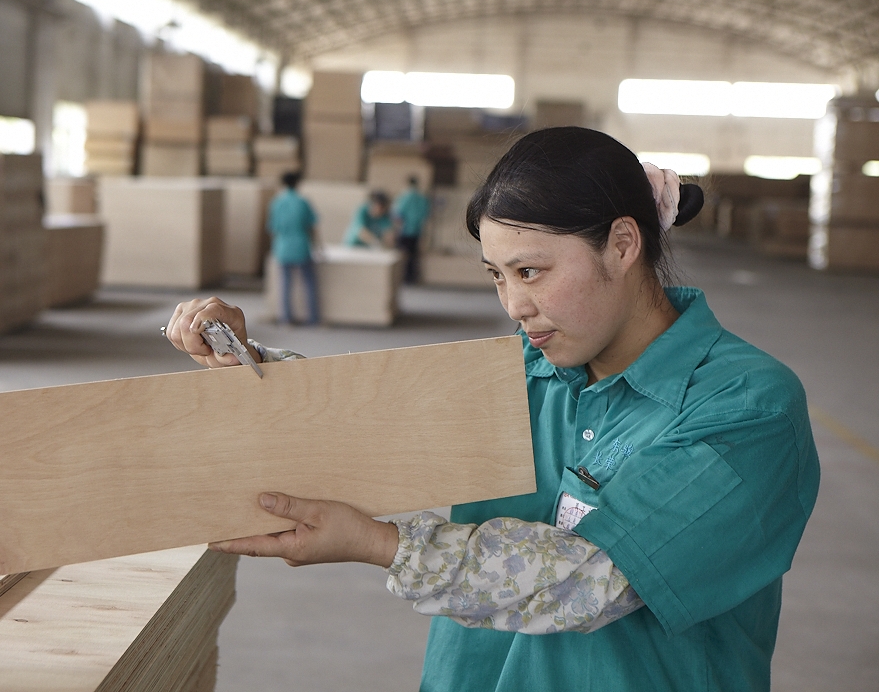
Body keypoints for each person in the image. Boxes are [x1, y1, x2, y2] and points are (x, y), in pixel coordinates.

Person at [166, 127, 819, 692]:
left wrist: (376, 543)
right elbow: (381, 420)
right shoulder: (528, 365)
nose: (513, 305)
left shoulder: (745, 405)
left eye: (530, 271)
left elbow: (592, 579)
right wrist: (251, 363)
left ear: (622, 245)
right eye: (496, 275)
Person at [266, 171, 319, 325]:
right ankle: (313, 318)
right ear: (297, 183)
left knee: (286, 284)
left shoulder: (277, 203)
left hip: (283, 247)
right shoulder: (302, 202)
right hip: (301, 246)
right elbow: (312, 226)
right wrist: (318, 246)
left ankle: (286, 319)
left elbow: (273, 228)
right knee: (309, 283)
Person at [394, 175, 431, 282]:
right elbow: (426, 214)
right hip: (417, 231)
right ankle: (411, 277)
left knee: (403, 254)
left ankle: (401, 277)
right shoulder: (422, 198)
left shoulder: (405, 196)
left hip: (405, 230)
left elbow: (398, 213)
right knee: (413, 255)